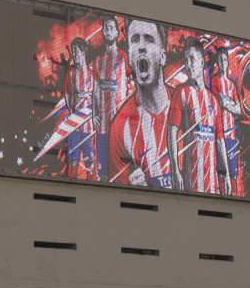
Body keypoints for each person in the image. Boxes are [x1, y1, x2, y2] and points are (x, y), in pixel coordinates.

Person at [107, 19, 177, 188]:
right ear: (130, 56)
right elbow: (117, 200)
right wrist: (132, 190)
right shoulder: (119, 127)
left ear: (162, 57)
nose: (141, 47)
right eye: (135, 40)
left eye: (149, 39)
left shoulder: (188, 109)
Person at [170, 42, 227, 194]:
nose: (188, 65)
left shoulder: (214, 101)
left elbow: (220, 140)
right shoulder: (180, 93)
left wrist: (226, 173)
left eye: (192, 59)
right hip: (190, 183)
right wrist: (175, 170)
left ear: (202, 61)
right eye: (185, 61)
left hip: (212, 185)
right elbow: (171, 134)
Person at [35, 39, 96, 178]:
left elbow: (96, 101)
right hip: (73, 127)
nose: (76, 55)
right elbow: (68, 98)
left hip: (88, 128)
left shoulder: (92, 75)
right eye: (74, 52)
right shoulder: (71, 74)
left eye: (78, 52)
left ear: (84, 52)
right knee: (73, 161)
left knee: (89, 163)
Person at [92, 16, 132, 179]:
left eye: (110, 28)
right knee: (103, 175)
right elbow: (94, 91)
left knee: (120, 173)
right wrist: (94, 114)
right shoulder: (97, 61)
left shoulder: (124, 57)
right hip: (102, 127)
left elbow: (135, 83)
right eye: (104, 28)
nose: (107, 31)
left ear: (117, 32)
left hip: (119, 128)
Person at [211, 48, 244, 196]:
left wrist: (229, 103)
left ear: (227, 62)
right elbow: (220, 101)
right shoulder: (215, 79)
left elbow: (239, 110)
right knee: (221, 169)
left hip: (231, 135)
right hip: (221, 134)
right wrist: (231, 103)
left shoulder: (231, 84)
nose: (223, 63)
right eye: (220, 60)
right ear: (217, 62)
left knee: (233, 171)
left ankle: (234, 197)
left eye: (225, 60)